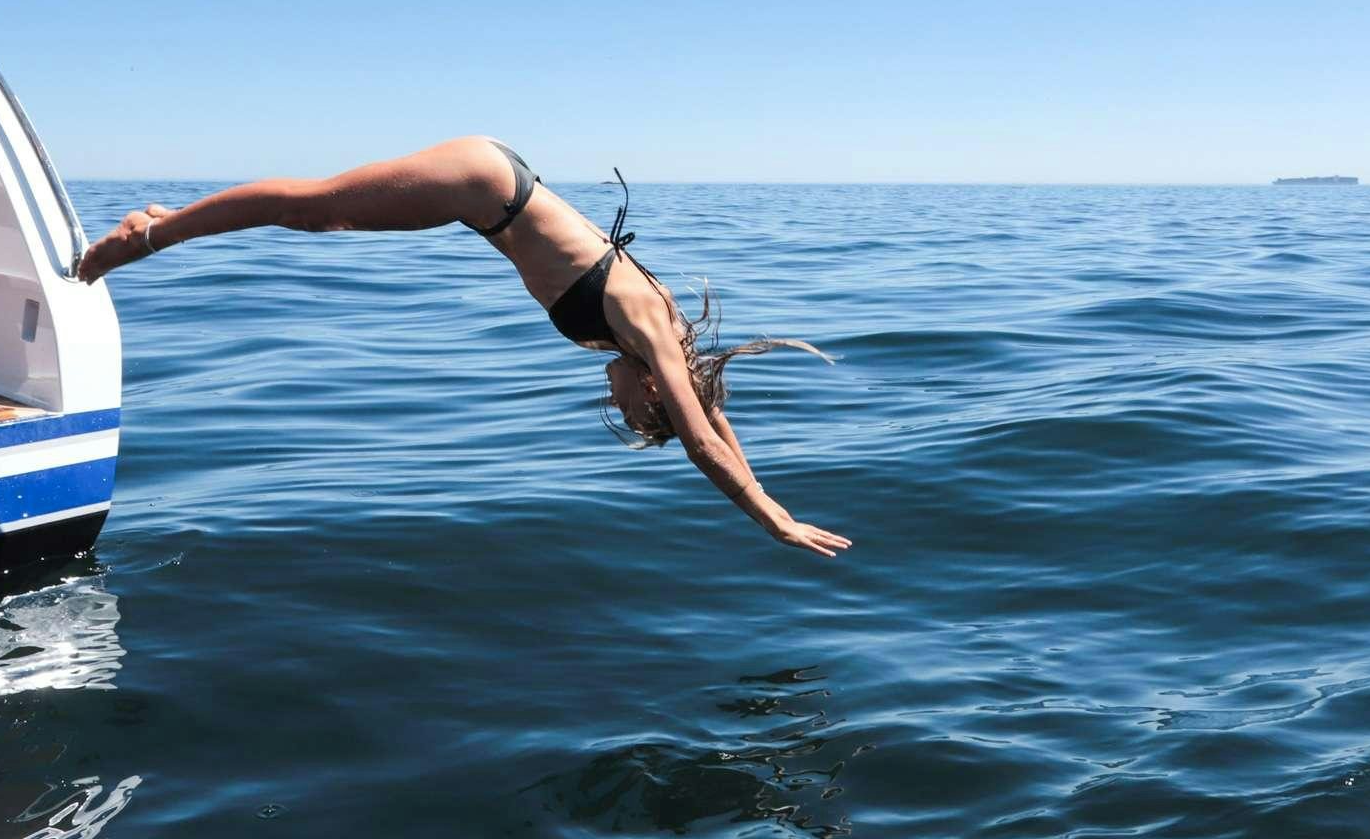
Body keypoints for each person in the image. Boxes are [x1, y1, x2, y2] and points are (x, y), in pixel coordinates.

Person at [79, 136, 852, 558]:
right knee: (318, 210)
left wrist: (761, 482)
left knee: (319, 212)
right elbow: (701, 441)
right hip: (484, 185)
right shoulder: (650, 334)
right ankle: (148, 235)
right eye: (626, 409)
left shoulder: (665, 344)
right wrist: (770, 515)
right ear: (652, 392)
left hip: (492, 191)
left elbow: (715, 425)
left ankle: (166, 218)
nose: (610, 398)